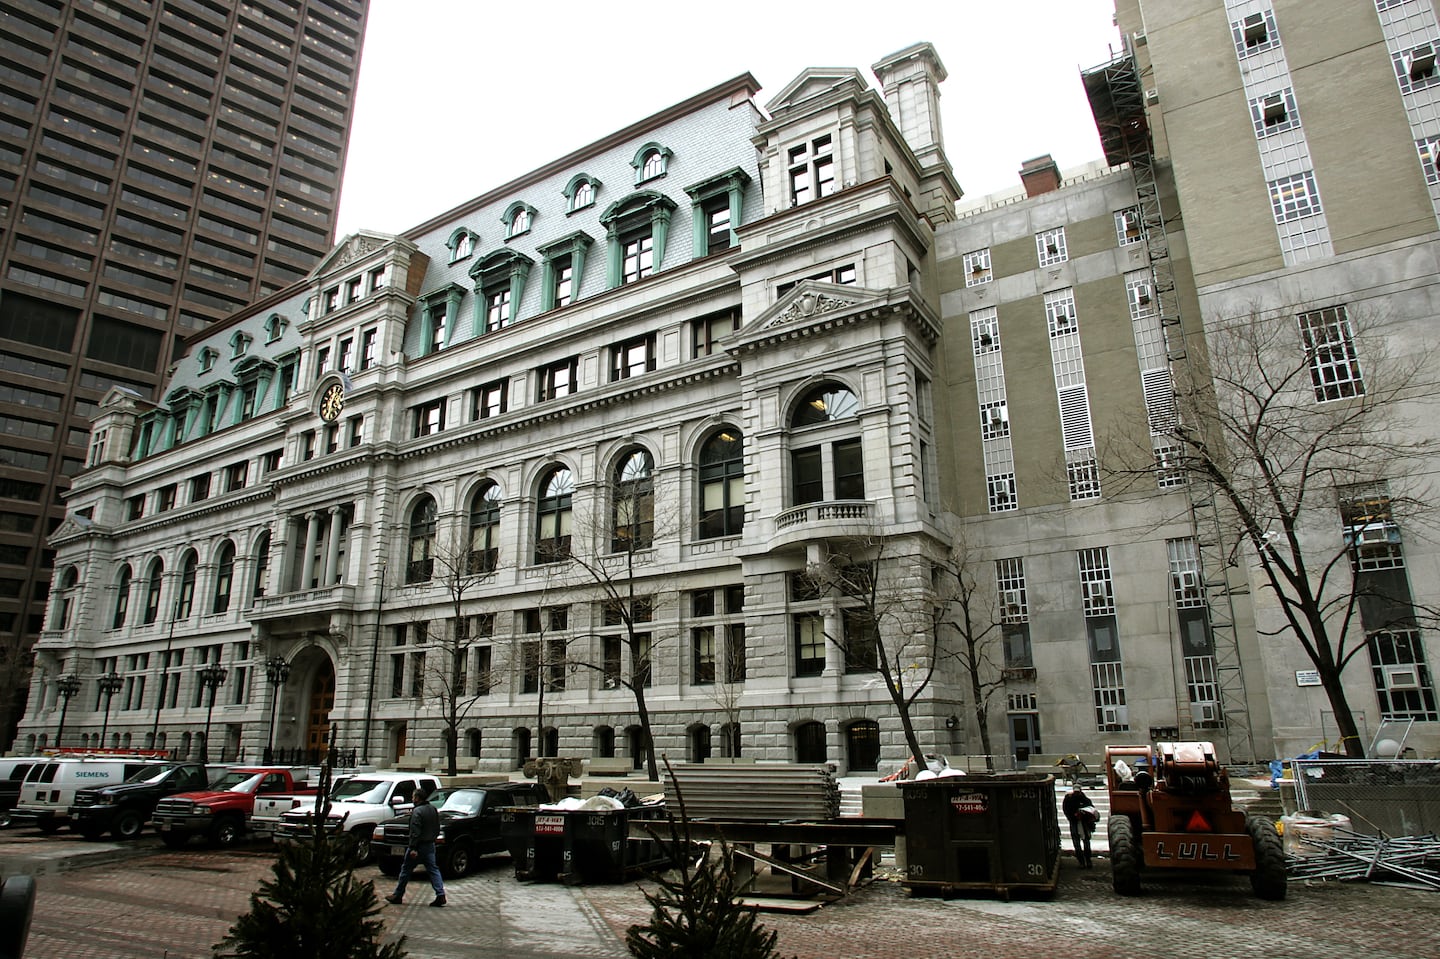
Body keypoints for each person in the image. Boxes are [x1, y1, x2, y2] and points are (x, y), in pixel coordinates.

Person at [385, 786, 446, 907]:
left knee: (406, 870)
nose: (412, 799)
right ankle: (440, 894)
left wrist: (413, 848)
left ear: (417, 798)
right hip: (430, 844)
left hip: (418, 845)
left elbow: (415, 832)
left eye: (413, 797)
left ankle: (398, 894)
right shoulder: (433, 809)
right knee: (433, 870)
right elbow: (437, 827)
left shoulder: (417, 812)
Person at [1062, 783, 1096, 868]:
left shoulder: (1085, 800)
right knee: (1077, 843)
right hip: (1074, 822)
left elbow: (1091, 810)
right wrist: (1073, 817)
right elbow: (1066, 810)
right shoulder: (1069, 799)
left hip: (1084, 824)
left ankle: (1088, 860)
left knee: (1086, 842)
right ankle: (1081, 861)